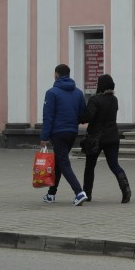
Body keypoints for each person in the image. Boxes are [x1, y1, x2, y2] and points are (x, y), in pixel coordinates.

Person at [39, 63, 88, 206]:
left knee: (64, 163)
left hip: (58, 133)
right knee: (59, 162)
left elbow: (48, 117)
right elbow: (82, 115)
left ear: (56, 75)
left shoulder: (52, 92)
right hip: (72, 132)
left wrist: (44, 137)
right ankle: (51, 194)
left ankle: (79, 192)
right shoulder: (78, 93)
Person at [80, 73, 131, 203]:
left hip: (96, 139)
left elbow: (88, 118)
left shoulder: (95, 100)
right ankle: (125, 188)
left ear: (100, 85)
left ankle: (87, 193)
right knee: (114, 165)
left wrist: (80, 115)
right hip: (113, 137)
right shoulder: (114, 100)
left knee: (90, 166)